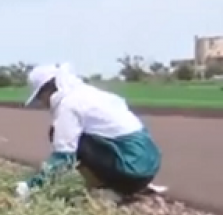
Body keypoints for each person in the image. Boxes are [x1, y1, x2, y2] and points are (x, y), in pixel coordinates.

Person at [15, 63, 164, 202]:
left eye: (40, 97)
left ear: (48, 90)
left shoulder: (68, 104)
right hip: (148, 165)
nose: (42, 103)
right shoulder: (90, 94)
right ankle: (130, 186)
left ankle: (106, 190)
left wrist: (31, 186)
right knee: (81, 137)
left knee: (59, 134)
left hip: (131, 170)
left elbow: (64, 158)